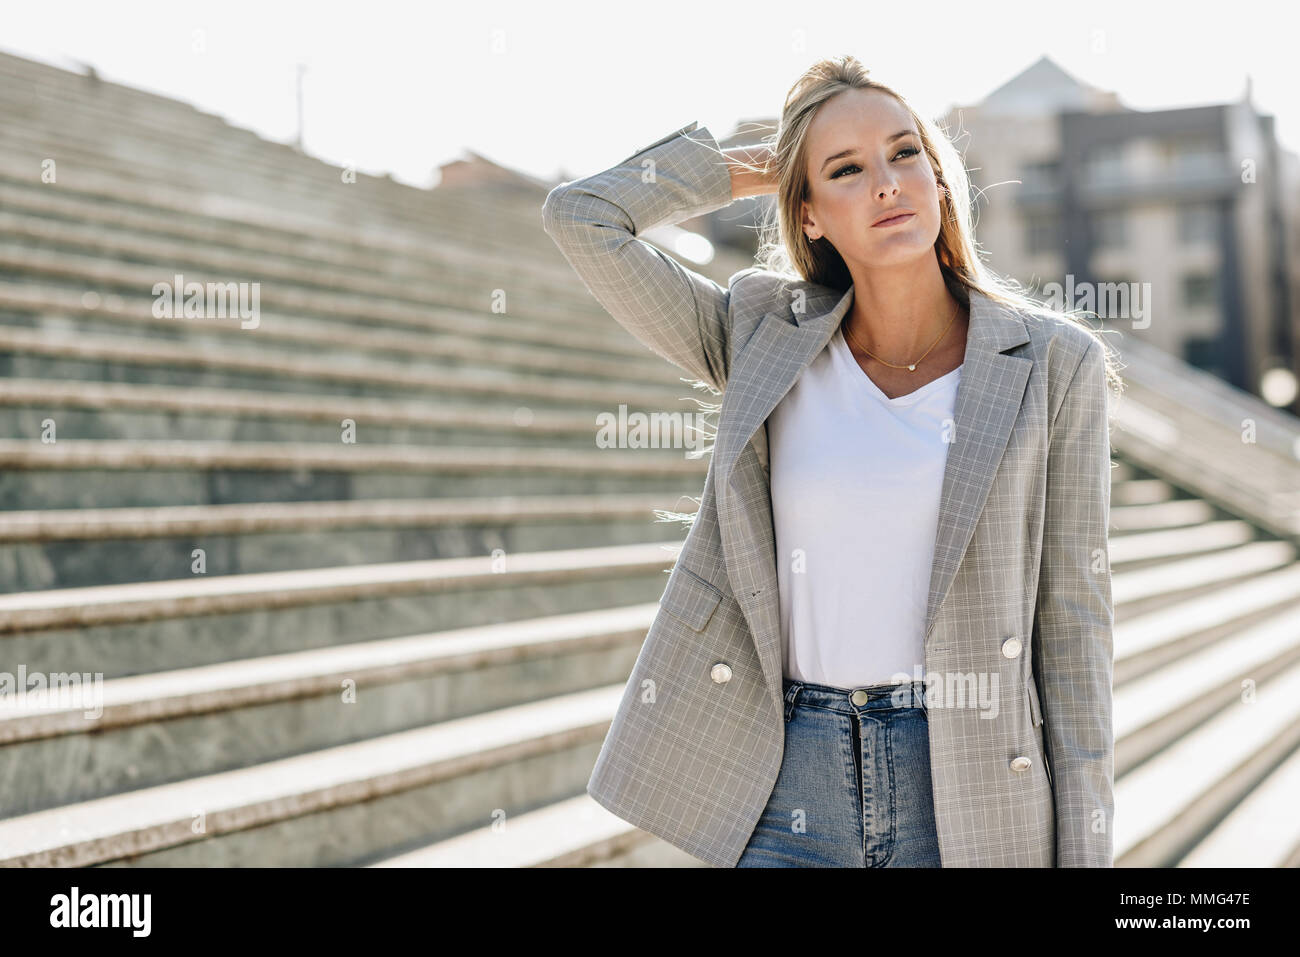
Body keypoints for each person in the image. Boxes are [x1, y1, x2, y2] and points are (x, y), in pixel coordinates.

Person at [542, 54, 1120, 868]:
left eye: (904, 153)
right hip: (788, 787)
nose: (887, 183)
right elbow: (582, 218)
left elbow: (1073, 627)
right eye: (846, 170)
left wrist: (1087, 848)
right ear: (806, 214)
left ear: (941, 181)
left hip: (968, 786)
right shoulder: (760, 334)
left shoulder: (1057, 364)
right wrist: (741, 171)